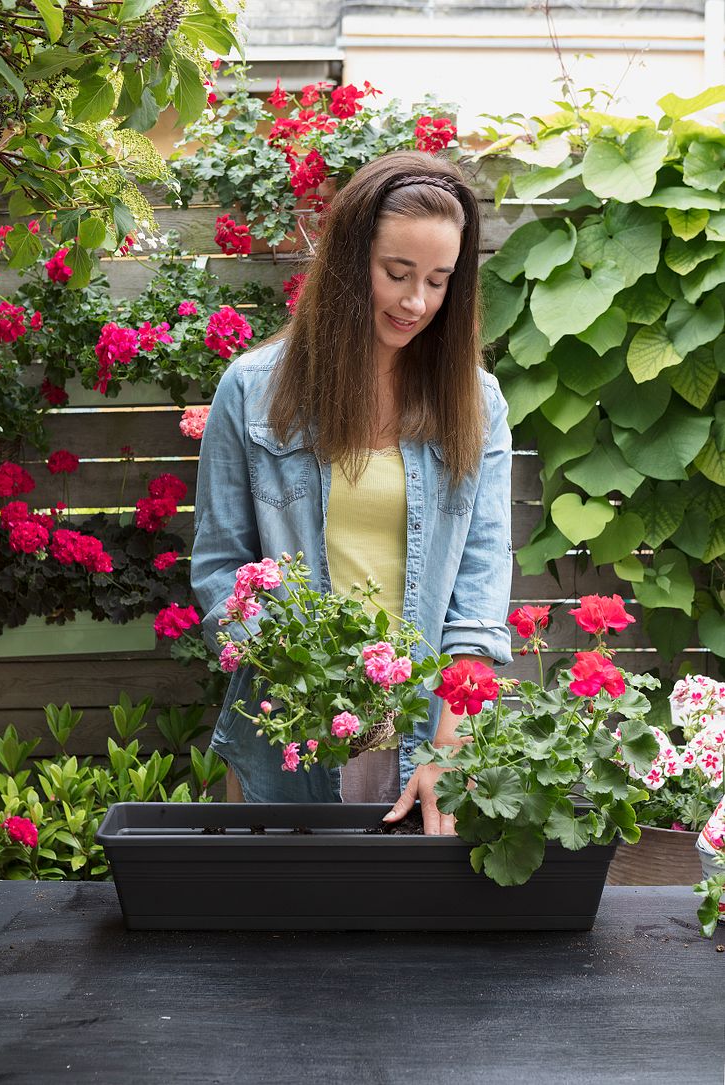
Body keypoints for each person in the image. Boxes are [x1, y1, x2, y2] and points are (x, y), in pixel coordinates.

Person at [190, 148, 513, 835]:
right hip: (288, 744)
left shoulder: (476, 404)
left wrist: (449, 743)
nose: (416, 301)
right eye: (396, 273)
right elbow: (222, 574)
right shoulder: (252, 391)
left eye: (438, 279)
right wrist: (314, 682)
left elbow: (481, 590)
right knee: (278, 937)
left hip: (429, 740)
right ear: (347, 262)